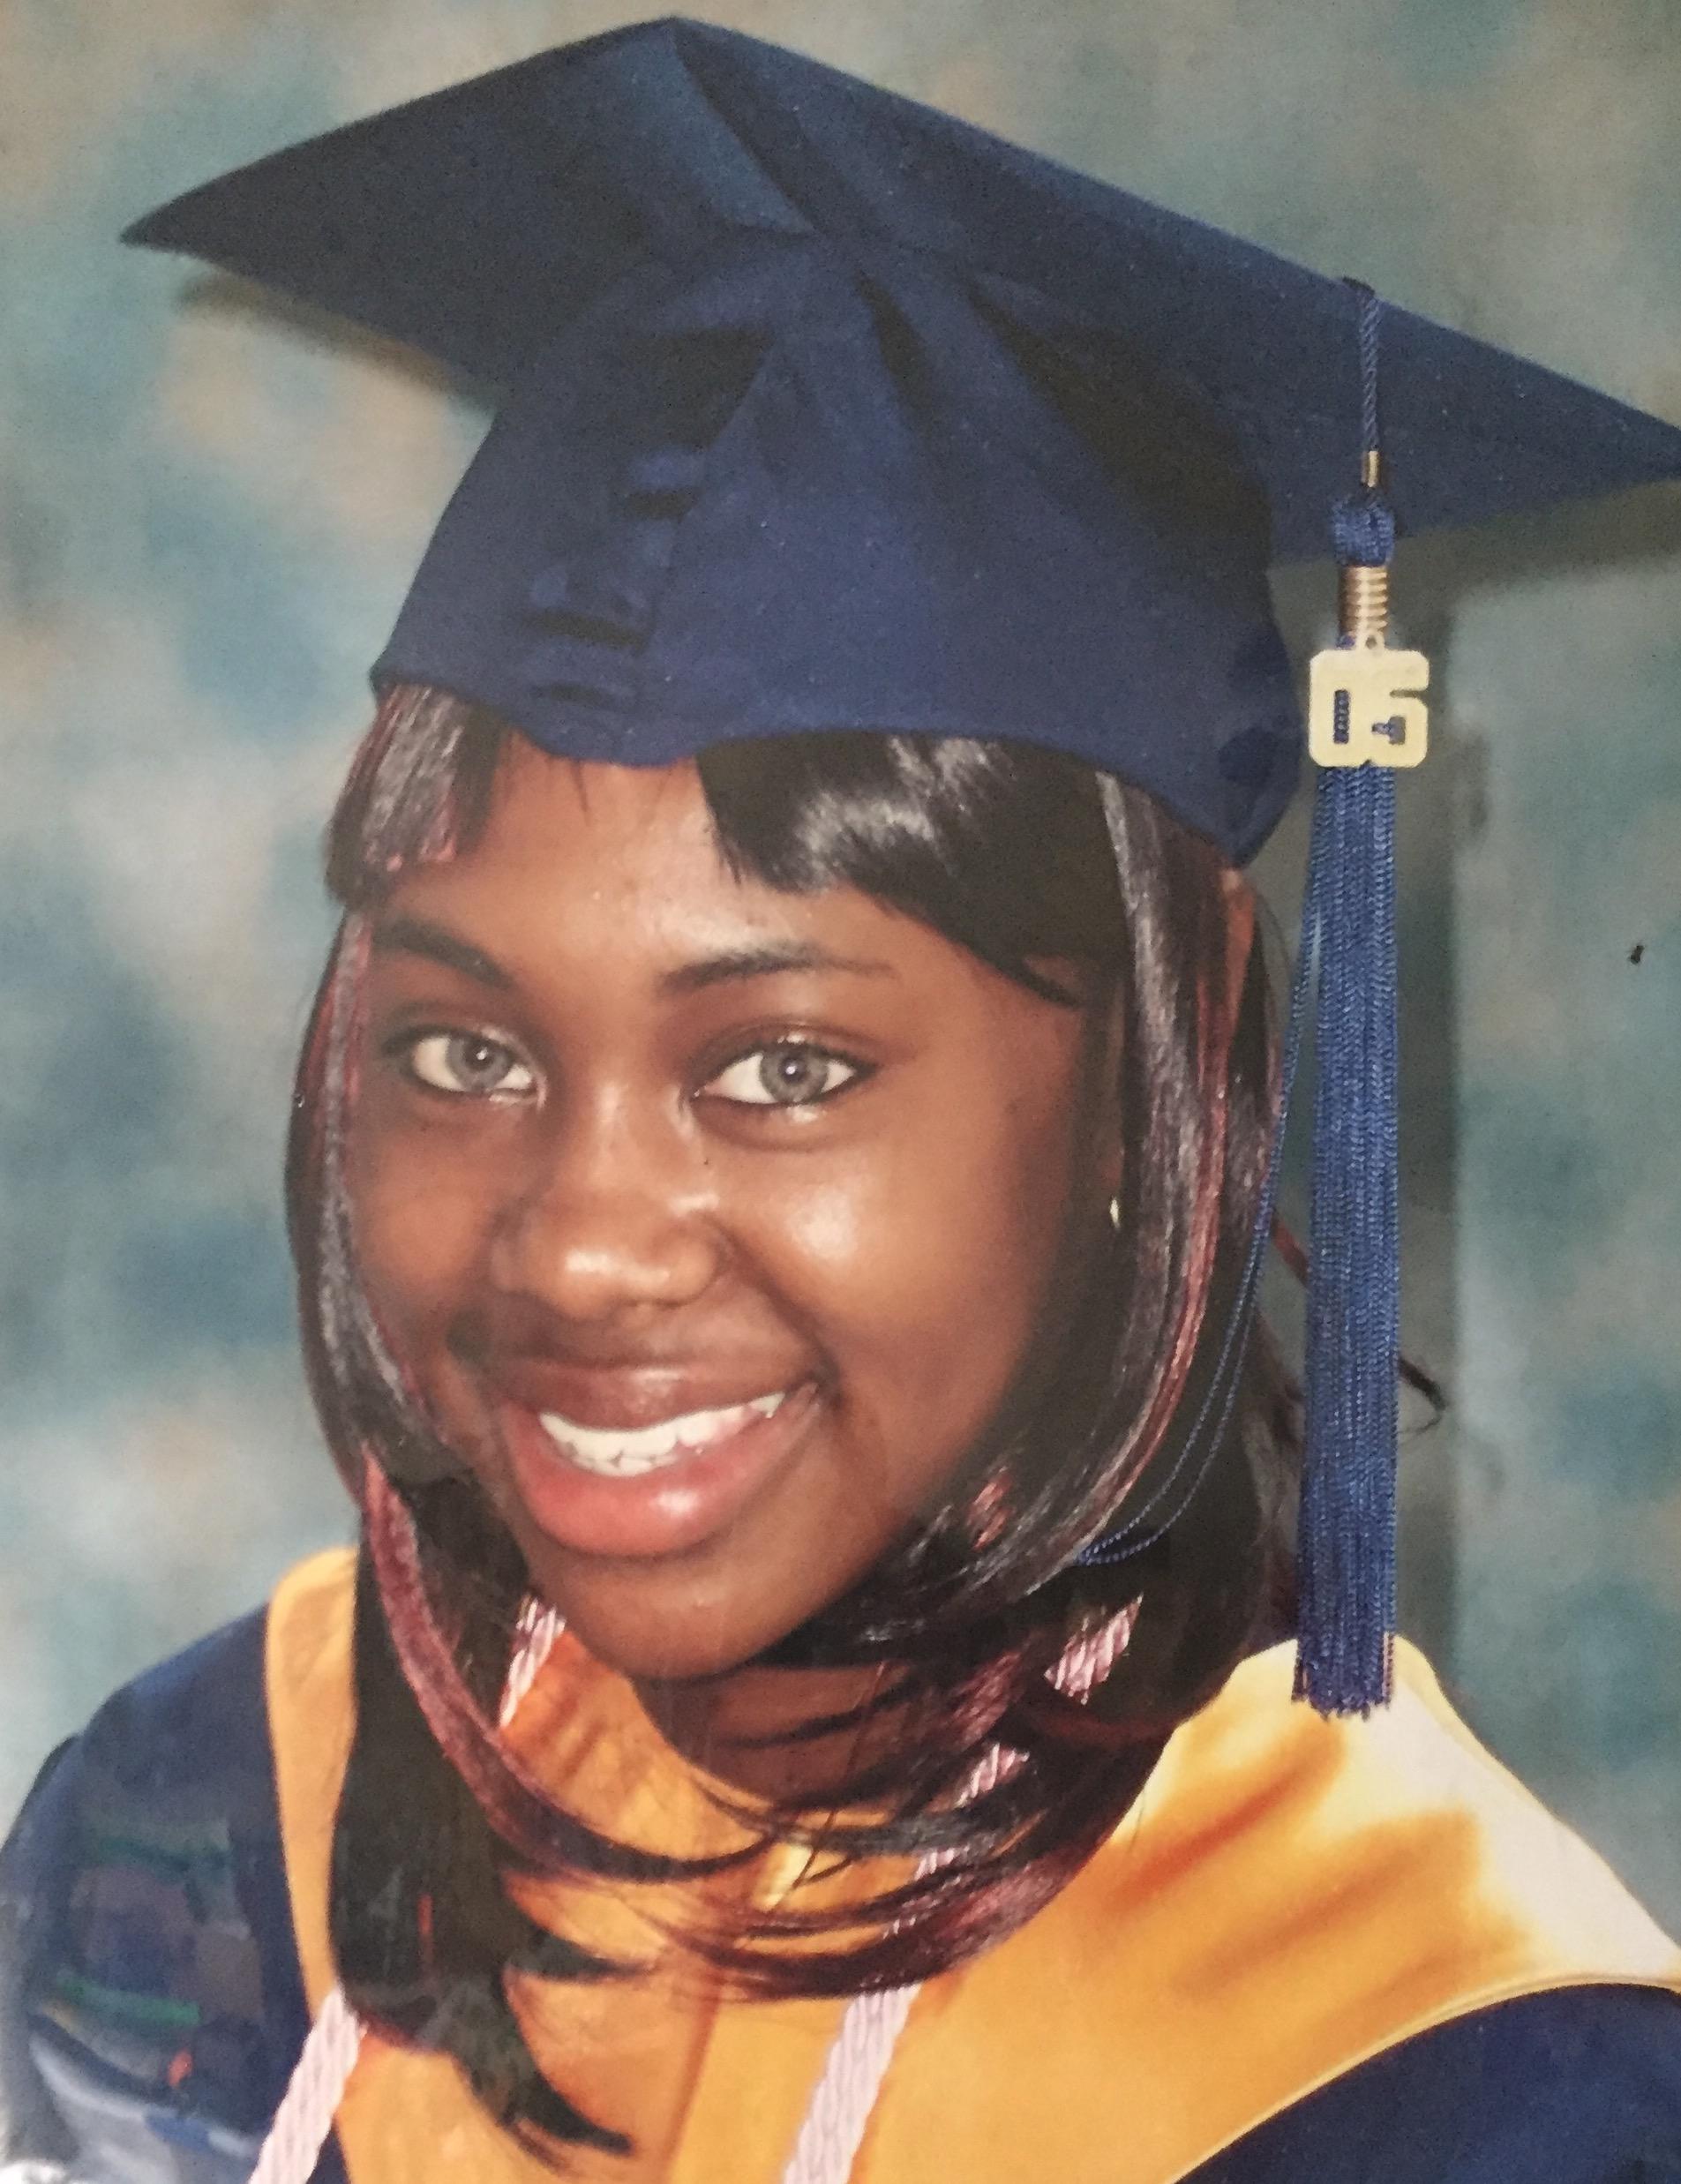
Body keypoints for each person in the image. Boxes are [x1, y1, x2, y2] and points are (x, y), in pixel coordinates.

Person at [4, 20, 1680, 2183]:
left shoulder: (1446, 2082)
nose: (580, 1242)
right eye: (464, 1050)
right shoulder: (201, 1833)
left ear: (1153, 1079)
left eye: (783, 1066)